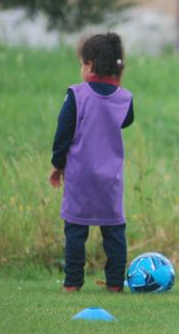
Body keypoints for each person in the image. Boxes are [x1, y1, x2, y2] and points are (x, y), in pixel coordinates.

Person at [48, 32, 134, 293]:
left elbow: (63, 134)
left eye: (81, 63)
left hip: (80, 177)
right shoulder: (124, 98)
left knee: (75, 232)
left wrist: (57, 164)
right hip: (111, 181)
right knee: (114, 233)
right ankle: (115, 284)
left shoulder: (76, 95)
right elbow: (126, 120)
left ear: (89, 65)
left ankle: (72, 283)